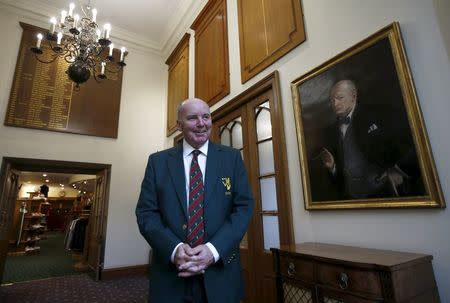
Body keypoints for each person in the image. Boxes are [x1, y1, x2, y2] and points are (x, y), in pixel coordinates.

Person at [135, 98, 254, 303]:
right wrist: (174, 250)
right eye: (192, 118)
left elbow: (243, 208)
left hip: (221, 273)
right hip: (172, 275)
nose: (201, 123)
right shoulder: (158, 162)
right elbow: (146, 213)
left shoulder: (232, 158)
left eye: (206, 117)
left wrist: (213, 250)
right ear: (179, 125)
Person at [320, 79, 421, 199]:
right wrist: (333, 167)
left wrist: (398, 170)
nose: (335, 103)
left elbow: (413, 140)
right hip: (352, 199)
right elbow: (338, 177)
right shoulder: (330, 132)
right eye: (332, 100)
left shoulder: (376, 114)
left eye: (340, 97)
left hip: (385, 192)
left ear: (354, 96)